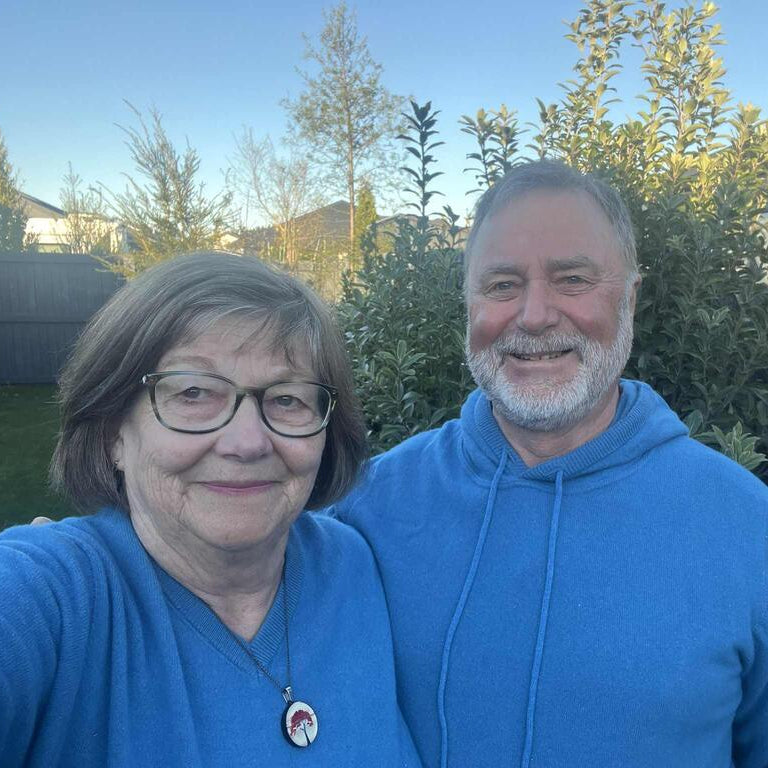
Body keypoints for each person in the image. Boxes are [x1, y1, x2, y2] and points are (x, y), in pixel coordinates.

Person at [329, 160, 768, 768]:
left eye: (572, 279)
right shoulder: (366, 509)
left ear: (631, 298)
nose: (534, 315)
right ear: (469, 305)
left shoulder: (748, 528)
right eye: (502, 285)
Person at [0, 252, 421, 767]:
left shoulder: (352, 564)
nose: (247, 442)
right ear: (113, 431)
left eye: (287, 399)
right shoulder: (50, 595)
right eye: (195, 392)